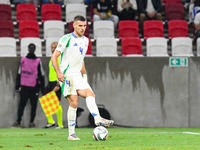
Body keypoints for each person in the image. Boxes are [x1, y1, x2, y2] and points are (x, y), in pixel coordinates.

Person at [51, 15, 114, 140]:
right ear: (74, 25)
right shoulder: (66, 38)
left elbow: (81, 59)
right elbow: (54, 57)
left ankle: (97, 118)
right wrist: (58, 73)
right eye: (80, 25)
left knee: (90, 94)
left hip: (78, 75)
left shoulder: (86, 40)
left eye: (84, 26)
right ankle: (71, 134)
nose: (82, 28)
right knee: (74, 103)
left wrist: (84, 75)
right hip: (67, 75)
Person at [12, 43, 45, 128]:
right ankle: (18, 121)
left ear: (34, 49)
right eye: (30, 49)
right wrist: (17, 86)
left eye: (32, 49)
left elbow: (41, 75)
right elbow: (19, 73)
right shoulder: (23, 60)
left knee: (33, 106)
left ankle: (31, 122)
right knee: (21, 105)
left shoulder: (38, 61)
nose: (31, 50)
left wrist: (42, 88)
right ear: (28, 49)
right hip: (24, 86)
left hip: (34, 87)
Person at [43, 42, 63, 129]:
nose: (53, 49)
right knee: (45, 98)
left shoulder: (60, 58)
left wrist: (58, 84)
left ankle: (60, 124)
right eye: (52, 47)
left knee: (57, 102)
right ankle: (51, 121)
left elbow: (61, 70)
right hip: (51, 82)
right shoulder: (53, 58)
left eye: (55, 47)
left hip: (57, 82)